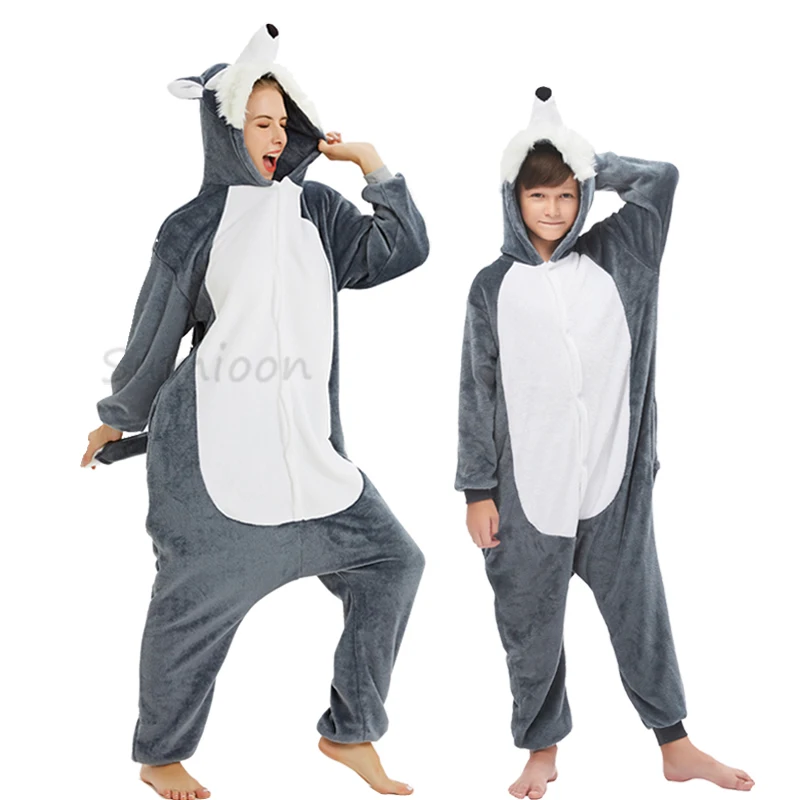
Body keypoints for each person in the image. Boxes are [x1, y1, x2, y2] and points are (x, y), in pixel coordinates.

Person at [81, 23, 428, 799]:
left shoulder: (322, 213)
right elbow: (155, 329)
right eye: (256, 122)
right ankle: (161, 755)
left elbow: (402, 250)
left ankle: (350, 732)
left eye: (281, 122)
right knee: (189, 612)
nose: (273, 136)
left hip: (309, 453)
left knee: (393, 564)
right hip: (212, 456)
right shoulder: (194, 224)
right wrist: (118, 415)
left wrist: (373, 168)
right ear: (224, 130)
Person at [455, 86, 754, 798]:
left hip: (614, 487)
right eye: (538, 196)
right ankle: (542, 751)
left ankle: (675, 744)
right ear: (513, 199)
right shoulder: (491, 286)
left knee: (640, 613)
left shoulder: (623, 255)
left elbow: (662, 181)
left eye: (567, 194)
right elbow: (476, 391)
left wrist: (593, 162)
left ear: (583, 192)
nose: (553, 209)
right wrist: (477, 490)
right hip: (526, 493)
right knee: (529, 627)